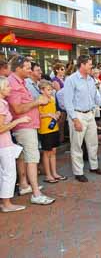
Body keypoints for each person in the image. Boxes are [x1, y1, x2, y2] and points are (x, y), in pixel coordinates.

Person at [7, 56, 55, 205]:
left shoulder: (19, 82)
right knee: (32, 159)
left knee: (23, 158)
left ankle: (24, 185)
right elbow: (17, 108)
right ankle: (36, 194)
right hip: (24, 127)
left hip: (26, 126)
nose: (30, 70)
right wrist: (37, 102)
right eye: (27, 67)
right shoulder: (14, 84)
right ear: (18, 68)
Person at [63, 55, 101, 182]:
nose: (92, 67)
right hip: (77, 114)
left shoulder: (91, 80)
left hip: (90, 114)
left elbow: (96, 97)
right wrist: (75, 120)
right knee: (77, 145)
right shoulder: (71, 80)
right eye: (90, 64)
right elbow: (67, 102)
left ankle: (94, 166)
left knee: (93, 143)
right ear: (82, 65)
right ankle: (78, 172)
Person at [0, 76, 31, 212]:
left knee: (5, 173)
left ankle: (5, 202)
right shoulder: (1, 104)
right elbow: (0, 128)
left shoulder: (3, 102)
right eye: (7, 86)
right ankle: (6, 204)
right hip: (4, 144)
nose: (10, 88)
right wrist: (18, 121)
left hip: (5, 143)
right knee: (9, 173)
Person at [38, 80, 67, 183]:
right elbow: (38, 115)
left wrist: (57, 113)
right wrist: (48, 114)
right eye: (48, 90)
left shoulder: (53, 98)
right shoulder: (39, 100)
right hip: (45, 129)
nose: (50, 91)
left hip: (54, 127)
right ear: (42, 90)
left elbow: (55, 110)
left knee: (53, 151)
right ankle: (48, 175)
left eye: (51, 89)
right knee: (47, 152)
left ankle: (54, 173)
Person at [52, 63, 67, 143]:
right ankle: (58, 138)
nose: (63, 71)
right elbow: (59, 93)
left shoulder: (62, 79)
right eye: (61, 69)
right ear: (57, 70)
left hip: (64, 102)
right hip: (59, 102)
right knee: (60, 121)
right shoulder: (55, 80)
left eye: (64, 69)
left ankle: (61, 138)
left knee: (63, 122)